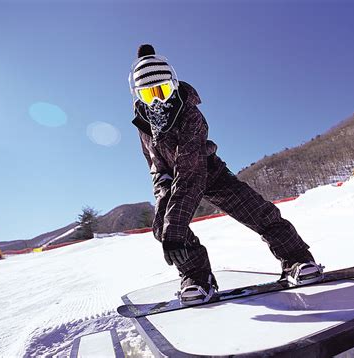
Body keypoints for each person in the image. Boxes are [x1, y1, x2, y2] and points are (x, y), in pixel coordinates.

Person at [128, 44, 324, 305]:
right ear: (137, 96)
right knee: (163, 227)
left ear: (173, 85)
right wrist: (164, 196)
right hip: (175, 180)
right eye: (149, 94)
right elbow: (156, 165)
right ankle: (198, 278)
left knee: (259, 212)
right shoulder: (143, 125)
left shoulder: (190, 115)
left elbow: (191, 173)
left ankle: (297, 259)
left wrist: (174, 226)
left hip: (208, 171)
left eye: (162, 90)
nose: (158, 101)